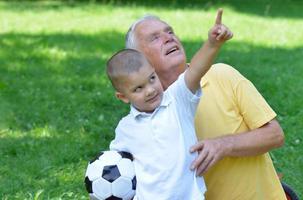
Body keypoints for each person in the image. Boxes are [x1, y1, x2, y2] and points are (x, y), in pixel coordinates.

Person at [125, 9, 287, 200]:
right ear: (139, 61)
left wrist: (223, 145)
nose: (168, 38)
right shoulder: (146, 118)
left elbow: (274, 135)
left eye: (170, 32)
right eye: (155, 38)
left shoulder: (222, 75)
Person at [106, 9, 232, 200]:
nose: (150, 90)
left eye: (152, 79)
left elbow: (196, 69)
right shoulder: (125, 129)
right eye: (138, 88)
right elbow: (117, 168)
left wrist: (212, 44)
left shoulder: (177, 101)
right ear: (123, 97)